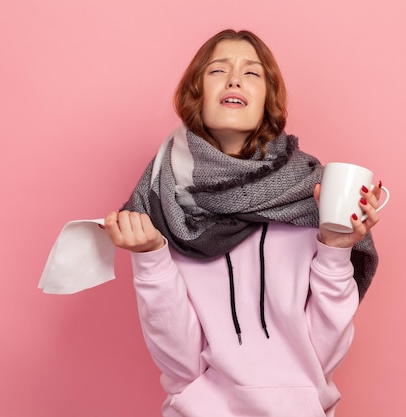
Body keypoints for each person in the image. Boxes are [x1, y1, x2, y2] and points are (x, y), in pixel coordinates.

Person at [103, 29, 383, 417]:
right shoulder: (163, 203)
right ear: (195, 92)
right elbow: (180, 366)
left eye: (252, 73)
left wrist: (335, 246)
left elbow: (323, 353)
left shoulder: (311, 194)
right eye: (218, 70)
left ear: (268, 99)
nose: (234, 78)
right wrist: (151, 257)